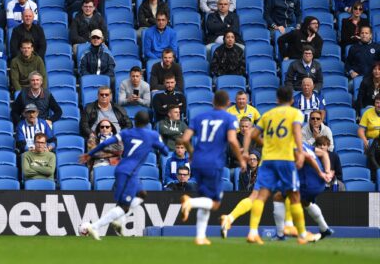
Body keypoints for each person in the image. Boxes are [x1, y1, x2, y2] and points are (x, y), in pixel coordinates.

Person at [240, 86, 319, 244]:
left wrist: (246, 151)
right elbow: (297, 132)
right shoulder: (295, 113)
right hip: (285, 159)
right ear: (292, 100)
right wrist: (300, 153)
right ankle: (302, 234)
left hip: (268, 160)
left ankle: (253, 232)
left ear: (277, 99)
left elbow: (252, 134)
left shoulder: (268, 115)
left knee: (261, 196)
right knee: (295, 196)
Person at [79, 111, 170, 240]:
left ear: (134, 122)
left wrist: (90, 153)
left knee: (142, 194)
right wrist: (157, 141)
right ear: (148, 123)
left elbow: (105, 143)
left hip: (123, 169)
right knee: (124, 206)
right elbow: (165, 152)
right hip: (129, 173)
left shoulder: (126, 133)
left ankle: (120, 221)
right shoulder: (152, 135)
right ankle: (95, 226)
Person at [176, 90, 243, 244]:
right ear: (228, 104)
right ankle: (190, 203)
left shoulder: (199, 117)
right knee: (215, 203)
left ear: (213, 102)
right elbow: (232, 141)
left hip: (198, 161)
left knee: (204, 198)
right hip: (214, 163)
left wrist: (192, 153)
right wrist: (241, 159)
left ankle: (200, 237)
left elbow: (185, 139)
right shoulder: (229, 118)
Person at [359, 94, 380, 160]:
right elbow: (360, 130)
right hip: (371, 141)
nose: (379, 105)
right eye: (377, 103)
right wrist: (365, 140)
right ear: (374, 103)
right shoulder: (367, 113)